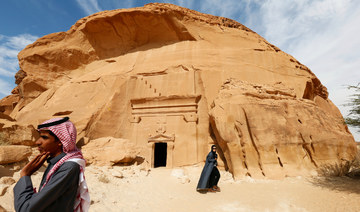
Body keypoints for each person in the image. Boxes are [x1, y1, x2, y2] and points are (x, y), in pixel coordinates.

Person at [13, 117, 90, 212]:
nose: (37, 142)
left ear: (61, 141)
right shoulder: (55, 162)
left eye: (44, 137)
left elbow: (26, 209)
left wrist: (25, 175)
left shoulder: (68, 167)